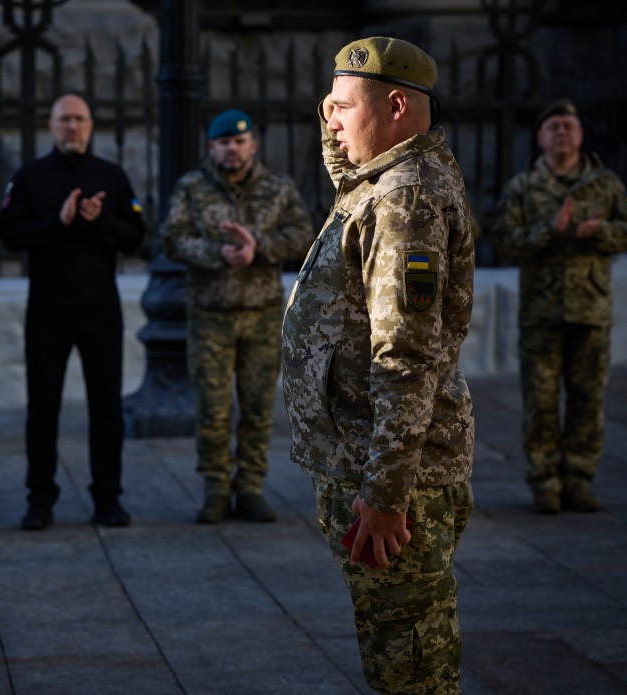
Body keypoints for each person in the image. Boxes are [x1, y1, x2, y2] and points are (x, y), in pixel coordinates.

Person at [281, 38, 476, 693]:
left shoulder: (405, 199)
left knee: (411, 665)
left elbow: (408, 357)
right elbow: (347, 161)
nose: (328, 122)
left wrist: (388, 496)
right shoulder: (384, 182)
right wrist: (342, 114)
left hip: (394, 479)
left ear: (396, 105)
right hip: (373, 461)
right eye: (324, 108)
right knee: (399, 650)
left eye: (340, 107)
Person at [0, 93, 146, 531]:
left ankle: (108, 500)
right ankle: (39, 500)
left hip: (100, 308)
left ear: (91, 125)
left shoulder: (111, 176)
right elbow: (9, 235)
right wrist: (58, 222)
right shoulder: (30, 177)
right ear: (51, 125)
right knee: (42, 409)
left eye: (79, 120)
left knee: (106, 411)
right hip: (48, 309)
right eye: (64, 120)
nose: (72, 127)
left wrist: (99, 220)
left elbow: (136, 237)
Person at [160, 108, 314, 524]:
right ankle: (215, 488)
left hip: (261, 314)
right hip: (210, 314)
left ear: (253, 145)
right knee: (212, 409)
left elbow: (303, 234)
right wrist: (217, 254)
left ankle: (250, 488)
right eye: (224, 142)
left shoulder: (278, 188)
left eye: (239, 141)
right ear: (212, 147)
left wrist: (257, 247)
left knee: (258, 406)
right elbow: (171, 238)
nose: (232, 148)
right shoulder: (192, 187)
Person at [493, 99, 627, 514]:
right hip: (541, 312)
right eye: (553, 127)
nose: (562, 133)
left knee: (589, 400)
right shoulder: (523, 187)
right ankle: (545, 482)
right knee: (541, 401)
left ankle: (579, 480)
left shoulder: (605, 185)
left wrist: (600, 232)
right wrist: (548, 232)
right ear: (540, 138)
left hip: (591, 310)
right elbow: (504, 239)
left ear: (581, 134)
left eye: (569, 125)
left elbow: (625, 233)